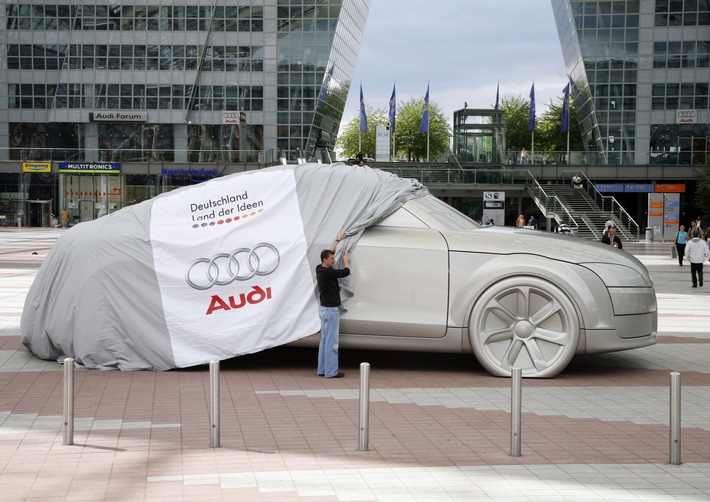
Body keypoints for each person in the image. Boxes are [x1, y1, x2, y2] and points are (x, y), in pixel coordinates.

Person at [316, 232, 350, 378]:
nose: (334, 260)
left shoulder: (320, 269)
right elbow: (346, 272)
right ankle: (331, 372)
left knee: (324, 341)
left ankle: (322, 369)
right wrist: (346, 260)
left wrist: (337, 240)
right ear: (325, 260)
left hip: (324, 310)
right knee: (332, 343)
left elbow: (330, 252)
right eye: (332, 259)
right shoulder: (329, 273)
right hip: (330, 311)